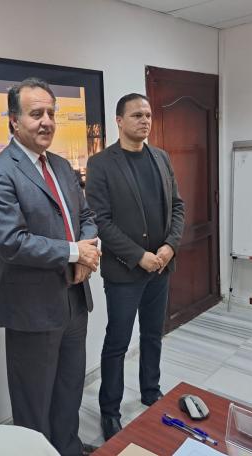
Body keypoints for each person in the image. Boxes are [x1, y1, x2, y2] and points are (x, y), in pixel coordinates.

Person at [0, 78, 101, 455]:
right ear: (14, 121)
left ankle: (69, 448)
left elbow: (87, 217)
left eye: (51, 113)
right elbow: (11, 242)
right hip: (32, 311)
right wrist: (75, 253)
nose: (47, 121)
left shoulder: (62, 166)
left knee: (69, 391)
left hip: (74, 302)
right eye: (36, 114)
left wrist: (86, 251)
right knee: (34, 403)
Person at [85, 93, 185, 441]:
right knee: (117, 342)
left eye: (148, 115)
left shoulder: (161, 157)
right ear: (119, 120)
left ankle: (151, 392)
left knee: (153, 334)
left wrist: (170, 246)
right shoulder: (101, 164)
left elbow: (177, 206)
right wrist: (139, 255)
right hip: (125, 272)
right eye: (137, 115)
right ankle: (110, 412)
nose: (145, 121)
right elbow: (101, 220)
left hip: (161, 267)